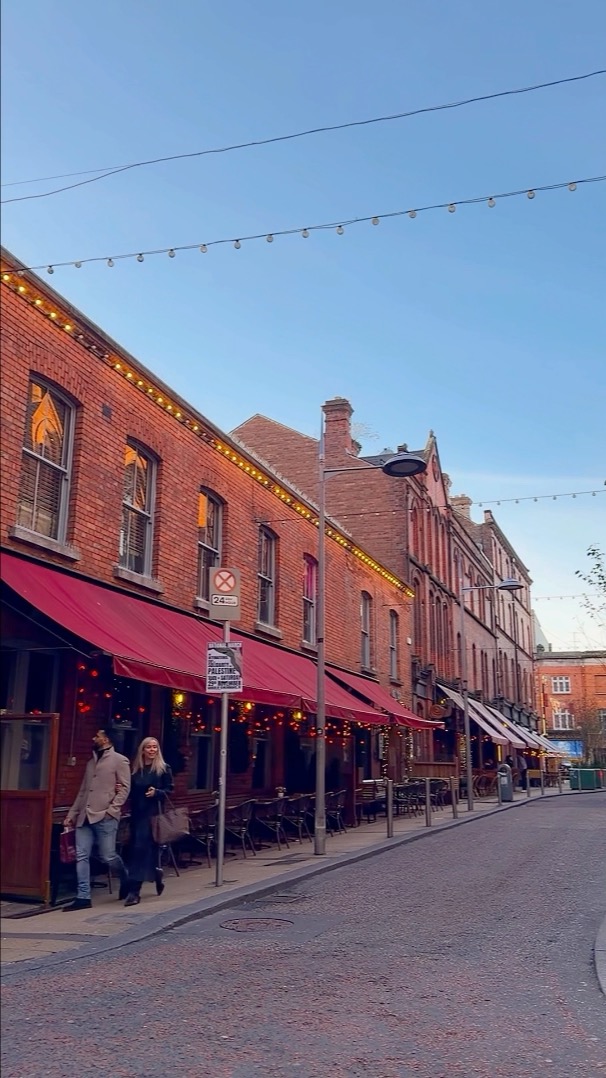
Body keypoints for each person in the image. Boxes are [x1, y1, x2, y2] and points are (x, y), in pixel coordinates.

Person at [63, 728, 131, 911]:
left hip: (105, 816)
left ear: (106, 739)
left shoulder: (120, 760)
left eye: (97, 736)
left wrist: (112, 809)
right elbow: (83, 790)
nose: (94, 738)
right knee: (81, 855)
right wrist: (72, 814)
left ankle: (125, 877)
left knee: (108, 856)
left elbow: (125, 788)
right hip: (84, 816)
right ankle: (83, 896)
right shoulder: (90, 762)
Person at [123, 737, 174, 907]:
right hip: (136, 814)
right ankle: (156, 873)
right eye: (149, 747)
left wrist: (157, 792)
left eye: (155, 747)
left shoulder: (163, 769)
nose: (152, 750)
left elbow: (169, 790)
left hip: (153, 815)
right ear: (143, 750)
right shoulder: (136, 770)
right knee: (139, 849)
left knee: (140, 849)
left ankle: (134, 891)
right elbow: (130, 792)